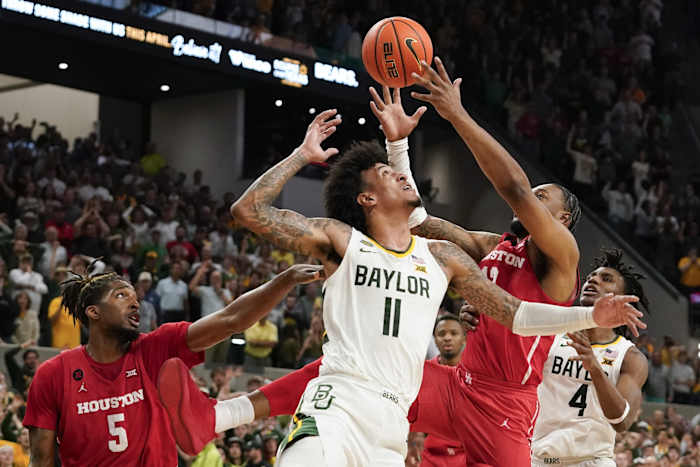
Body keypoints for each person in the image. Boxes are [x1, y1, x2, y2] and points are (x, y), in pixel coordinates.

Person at [157, 108, 643, 466]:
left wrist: (453, 113)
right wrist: (397, 147)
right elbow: (420, 220)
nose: (530, 199)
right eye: (534, 193)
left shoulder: (561, 258)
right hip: (454, 386)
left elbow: (515, 307)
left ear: (560, 219)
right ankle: (218, 416)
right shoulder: (485, 246)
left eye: (543, 198)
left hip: (506, 405)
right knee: (339, 368)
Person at [23, 260, 325, 466]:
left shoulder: (156, 347)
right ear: (94, 312)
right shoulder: (54, 374)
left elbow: (231, 319)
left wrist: (284, 281)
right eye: (121, 296)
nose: (135, 302)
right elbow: (41, 460)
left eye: (134, 296)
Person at [529, 249, 650, 466]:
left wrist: (594, 368)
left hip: (592, 460)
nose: (593, 279)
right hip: (540, 457)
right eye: (591, 277)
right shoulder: (551, 334)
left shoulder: (630, 357)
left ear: (624, 300)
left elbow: (622, 423)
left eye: (606, 279)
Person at [408, 314, 466, 467]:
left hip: (467, 453)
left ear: (464, 339)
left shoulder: (474, 374)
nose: (447, 338)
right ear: (434, 339)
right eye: (441, 334)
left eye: (453, 333)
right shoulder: (422, 372)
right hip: (430, 454)